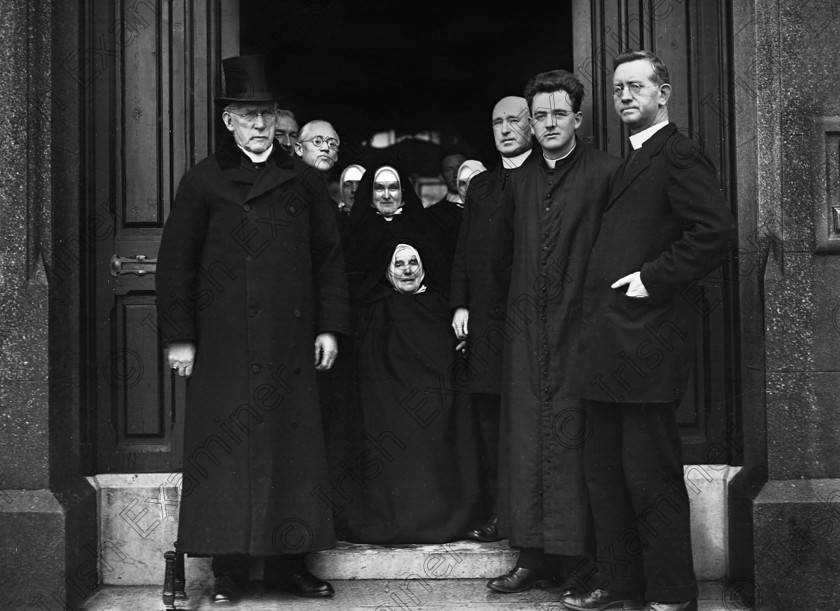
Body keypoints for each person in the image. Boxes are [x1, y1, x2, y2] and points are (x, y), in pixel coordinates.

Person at [155, 55, 349, 604]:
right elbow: (176, 264)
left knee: (294, 453)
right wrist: (180, 337)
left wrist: (330, 328)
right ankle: (228, 572)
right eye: (248, 114)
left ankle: (292, 567)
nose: (260, 124)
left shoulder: (304, 182)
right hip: (224, 347)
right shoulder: (204, 181)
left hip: (288, 344)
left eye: (266, 113)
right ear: (229, 121)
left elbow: (328, 259)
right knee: (227, 455)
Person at [563, 51, 736, 611]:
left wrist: (652, 281)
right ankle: (619, 585)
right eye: (616, 89)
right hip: (607, 348)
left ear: (664, 93)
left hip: (644, 344)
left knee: (649, 478)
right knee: (606, 479)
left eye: (637, 86)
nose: (625, 96)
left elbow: (713, 233)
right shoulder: (630, 159)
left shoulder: (678, 152)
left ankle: (671, 593)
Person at [488, 71, 622, 596]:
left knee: (576, 441)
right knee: (524, 441)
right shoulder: (517, 182)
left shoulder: (607, 173)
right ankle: (532, 557)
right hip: (527, 335)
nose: (547, 124)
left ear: (578, 119)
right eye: (538, 115)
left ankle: (576, 559)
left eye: (557, 114)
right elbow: (500, 258)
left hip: (581, 332)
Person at [339, 238, 483, 543]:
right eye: (399, 264)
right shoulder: (375, 309)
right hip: (389, 406)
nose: (407, 270)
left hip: (437, 402)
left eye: (413, 262)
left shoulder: (441, 303)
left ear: (423, 267)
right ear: (388, 271)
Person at [450, 95, 533, 544]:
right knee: (488, 420)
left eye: (514, 120)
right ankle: (498, 512)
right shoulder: (480, 187)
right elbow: (464, 250)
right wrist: (460, 305)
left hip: (530, 323)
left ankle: (528, 519)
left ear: (532, 126)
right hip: (485, 323)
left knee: (528, 422)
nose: (505, 129)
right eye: (497, 121)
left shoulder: (544, 178)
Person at [425, 149, 469, 287]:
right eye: (449, 169)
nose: (456, 174)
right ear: (441, 176)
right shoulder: (430, 216)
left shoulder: (487, 210)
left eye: (460, 167)